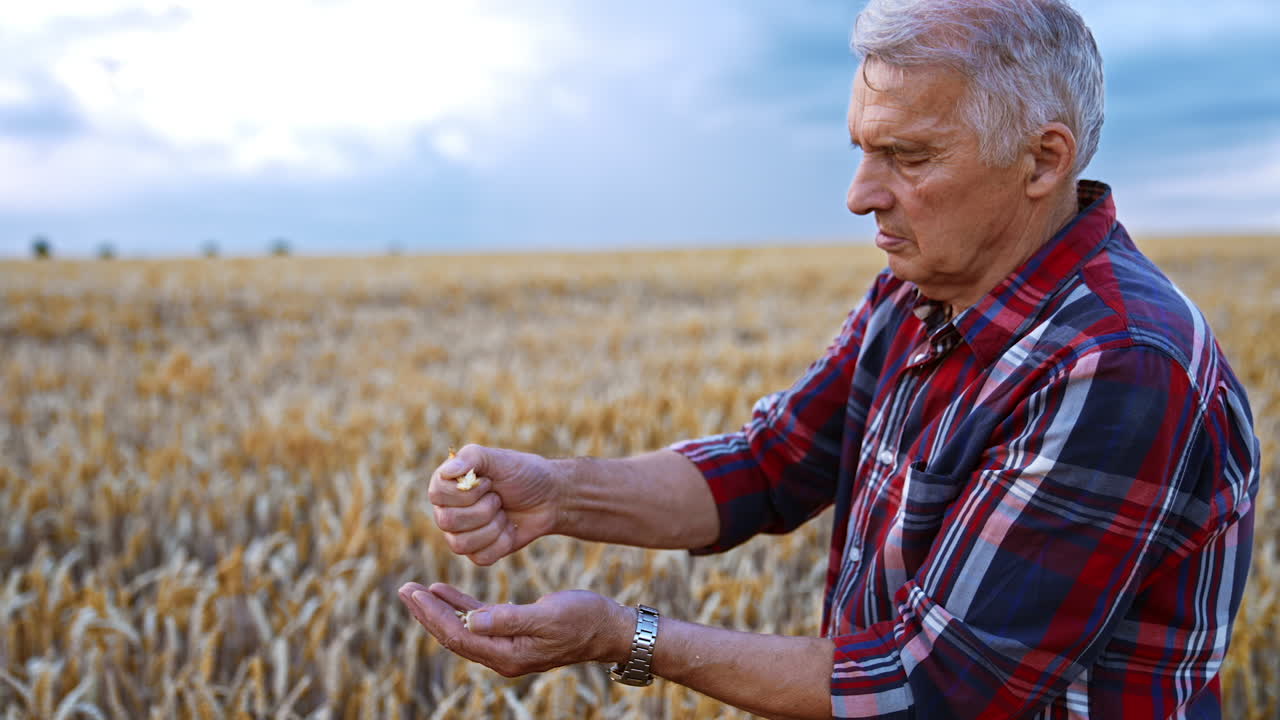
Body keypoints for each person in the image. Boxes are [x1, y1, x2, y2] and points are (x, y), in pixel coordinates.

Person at [397, 0, 1261, 717]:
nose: (859, 197)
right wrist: (558, 494)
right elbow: (769, 467)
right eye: (861, 148)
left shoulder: (1120, 364)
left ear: (1043, 160)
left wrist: (623, 638)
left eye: (907, 156)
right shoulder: (920, 292)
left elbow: (928, 692)